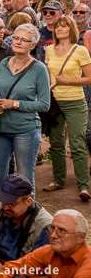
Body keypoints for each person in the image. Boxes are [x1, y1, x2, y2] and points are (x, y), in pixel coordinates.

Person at [0, 24, 50, 192]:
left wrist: (14, 104)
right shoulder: (3, 63)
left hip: (26, 130)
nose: (18, 42)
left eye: (24, 40)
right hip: (1, 128)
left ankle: (28, 216)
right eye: (16, 38)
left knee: (25, 179)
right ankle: (0, 215)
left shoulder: (39, 69)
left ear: (32, 45)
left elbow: (44, 104)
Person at [43, 16, 91, 201]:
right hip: (54, 102)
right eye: (58, 27)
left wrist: (69, 80)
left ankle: (83, 185)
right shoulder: (48, 50)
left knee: (78, 143)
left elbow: (89, 78)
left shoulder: (80, 50)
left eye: (64, 26)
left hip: (75, 102)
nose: (60, 29)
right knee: (56, 143)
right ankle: (59, 179)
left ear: (71, 29)